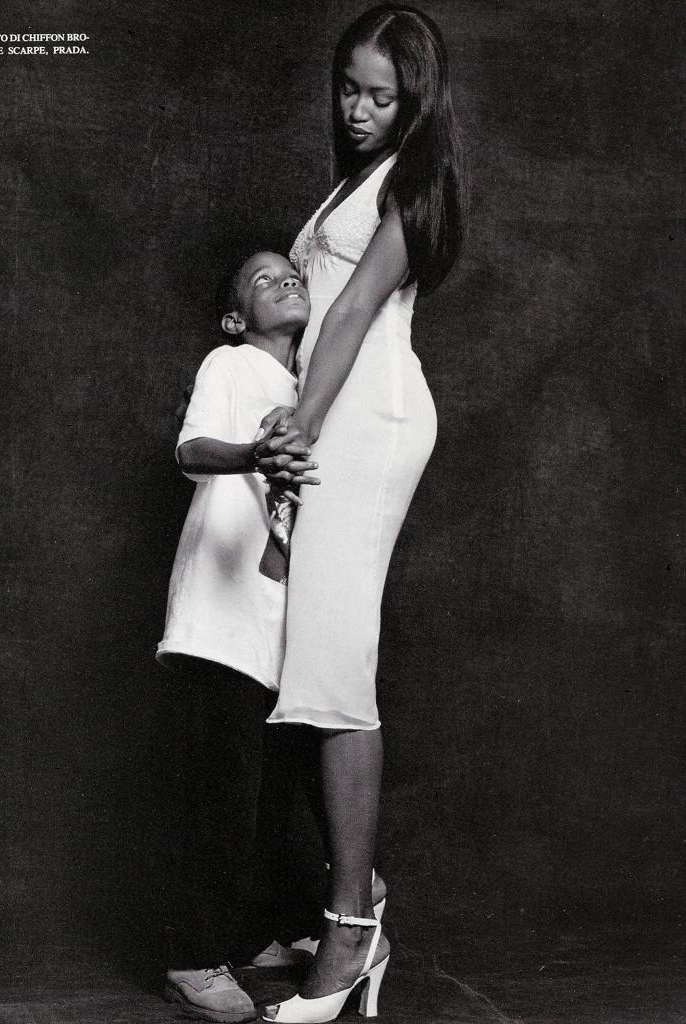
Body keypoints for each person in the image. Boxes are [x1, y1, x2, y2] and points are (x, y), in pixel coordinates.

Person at [258, 7, 468, 1021]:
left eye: (382, 95)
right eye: (349, 87)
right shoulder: (353, 182)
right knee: (304, 662)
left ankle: (349, 932)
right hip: (330, 410)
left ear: (416, 101)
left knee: (334, 667)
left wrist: (298, 425)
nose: (358, 109)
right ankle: (360, 895)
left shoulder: (411, 185)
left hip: (366, 417)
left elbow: (346, 315)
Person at [157, 251, 321, 1023]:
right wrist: (252, 454)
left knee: (265, 797)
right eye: (262, 280)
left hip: (274, 624)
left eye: (292, 273)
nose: (285, 280)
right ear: (234, 319)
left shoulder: (308, 389)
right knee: (217, 799)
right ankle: (191, 958)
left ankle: (251, 937)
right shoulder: (231, 364)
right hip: (216, 623)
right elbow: (190, 451)